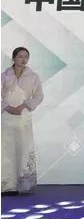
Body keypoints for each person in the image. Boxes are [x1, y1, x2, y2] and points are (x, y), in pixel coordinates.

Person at [2, 47, 44, 194]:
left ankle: (23, 185)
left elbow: (39, 96)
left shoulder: (33, 77)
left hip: (23, 117)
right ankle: (6, 185)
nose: (23, 59)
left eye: (26, 56)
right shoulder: (4, 76)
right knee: (5, 150)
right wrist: (6, 107)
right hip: (6, 118)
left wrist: (24, 106)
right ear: (13, 58)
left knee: (24, 148)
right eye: (20, 56)